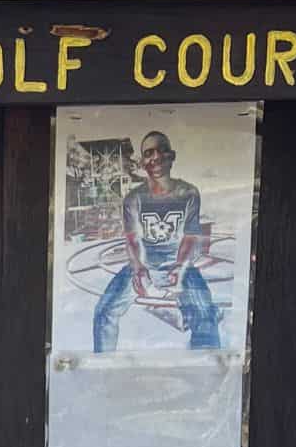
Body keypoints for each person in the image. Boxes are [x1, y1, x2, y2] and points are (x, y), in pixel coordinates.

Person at [92, 130, 221, 350]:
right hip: (145, 260)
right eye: (149, 153)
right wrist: (138, 268)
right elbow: (132, 239)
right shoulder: (133, 198)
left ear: (172, 156)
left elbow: (190, 235)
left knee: (205, 316)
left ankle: (205, 367)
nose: (156, 157)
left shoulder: (189, 192)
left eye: (162, 150)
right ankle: (101, 365)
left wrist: (180, 266)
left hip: (179, 261)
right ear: (142, 162)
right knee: (103, 312)